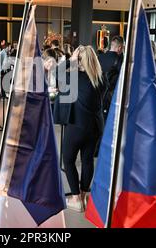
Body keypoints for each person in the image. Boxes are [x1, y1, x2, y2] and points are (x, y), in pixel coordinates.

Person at [62, 45, 105, 212]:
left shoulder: (74, 77)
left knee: (68, 159)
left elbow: (57, 73)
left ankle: (76, 199)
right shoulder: (101, 79)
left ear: (79, 61)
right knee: (87, 160)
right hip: (95, 126)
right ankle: (84, 195)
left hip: (77, 125)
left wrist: (70, 60)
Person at [98, 36, 124, 119]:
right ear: (120, 47)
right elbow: (122, 77)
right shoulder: (120, 60)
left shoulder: (99, 57)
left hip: (99, 93)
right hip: (113, 95)